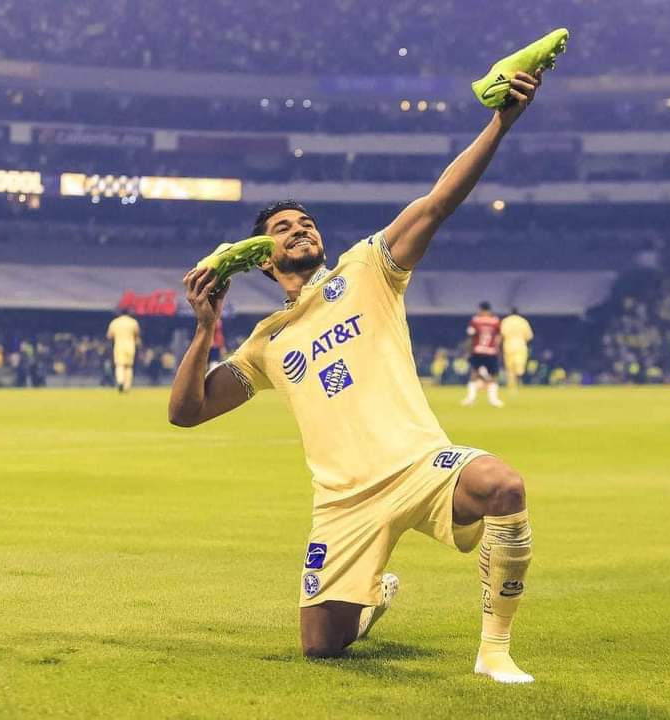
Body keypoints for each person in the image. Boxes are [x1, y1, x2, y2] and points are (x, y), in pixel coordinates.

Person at [168, 69, 545, 683]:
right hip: (343, 503)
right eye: (283, 227)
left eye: (305, 222)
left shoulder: (368, 269)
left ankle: (494, 651)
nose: (301, 228)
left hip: (421, 465)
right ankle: (372, 593)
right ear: (261, 257)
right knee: (321, 649)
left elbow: (436, 204)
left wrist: (501, 120)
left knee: (504, 485)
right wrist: (205, 326)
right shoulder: (267, 341)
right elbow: (186, 412)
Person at [462, 302, 504, 407]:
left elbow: (471, 337)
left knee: (474, 374)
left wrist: (468, 351)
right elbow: (499, 338)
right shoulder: (495, 321)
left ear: (481, 310)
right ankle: (493, 400)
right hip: (491, 351)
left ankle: (470, 398)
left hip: (478, 351)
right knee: (493, 375)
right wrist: (498, 350)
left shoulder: (475, 320)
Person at [106, 310, 141, 393]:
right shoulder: (133, 322)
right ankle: (127, 386)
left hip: (119, 345)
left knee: (119, 365)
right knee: (128, 366)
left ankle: (120, 382)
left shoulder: (115, 322)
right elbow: (137, 335)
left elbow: (109, 336)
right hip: (130, 345)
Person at [501, 308, 534, 394]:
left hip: (508, 346)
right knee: (520, 365)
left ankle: (512, 387)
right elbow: (529, 336)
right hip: (520, 346)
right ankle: (519, 381)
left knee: (510, 368)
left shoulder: (506, 321)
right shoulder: (523, 321)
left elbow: (502, 334)